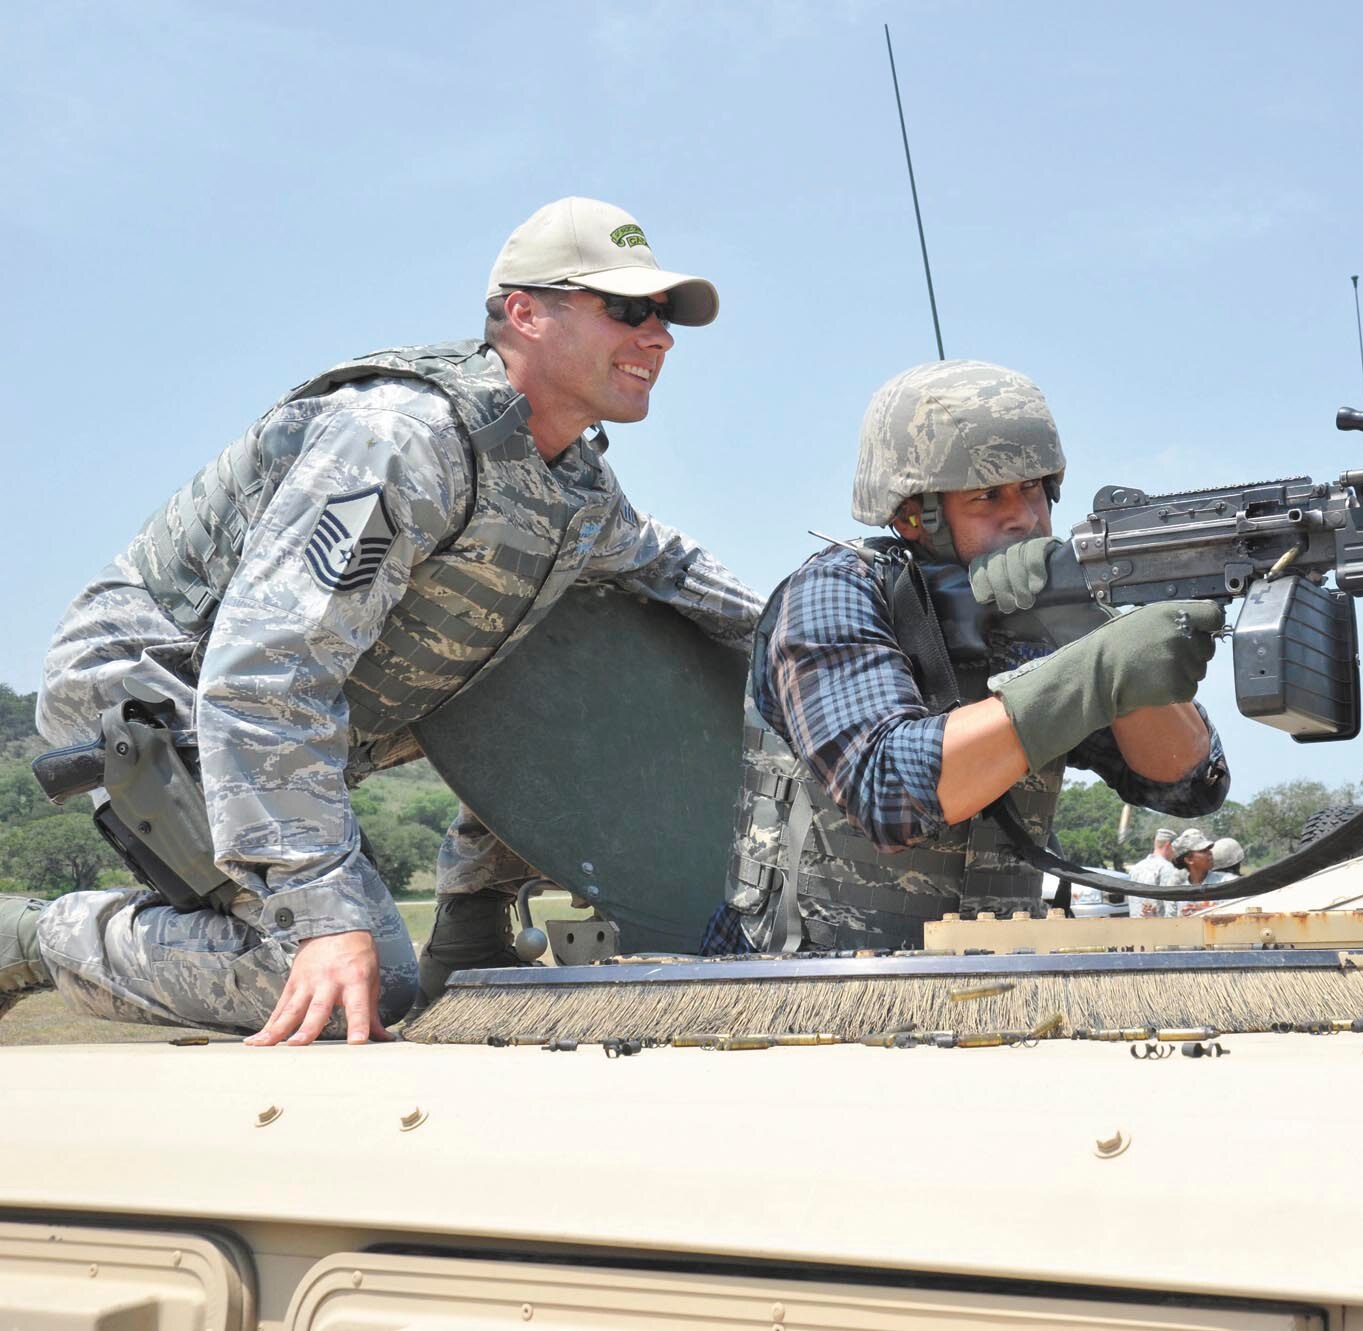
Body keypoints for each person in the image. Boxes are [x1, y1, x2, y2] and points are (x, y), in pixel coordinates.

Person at [1, 197, 759, 1040]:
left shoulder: (570, 487)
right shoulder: (401, 438)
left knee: (589, 612)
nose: (659, 335)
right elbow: (264, 674)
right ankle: (33, 936)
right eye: (627, 309)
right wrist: (325, 912)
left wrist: (827, 645)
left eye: (663, 316)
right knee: (354, 987)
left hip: (287, 712)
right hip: (154, 698)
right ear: (524, 313)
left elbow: (676, 572)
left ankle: (473, 915)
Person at [711, 360, 1229, 953]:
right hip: (802, 983)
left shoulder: (1044, 612)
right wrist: (1095, 668)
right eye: (987, 496)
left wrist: (1095, 633)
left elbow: (1187, 788)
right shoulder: (836, 593)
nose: (1024, 517)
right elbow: (885, 791)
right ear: (914, 515)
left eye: (1033, 488)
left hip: (995, 987)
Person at [1124, 827, 1188, 918]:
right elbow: (1171, 906)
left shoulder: (1136, 868)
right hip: (1157, 928)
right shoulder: (1167, 868)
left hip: (1135, 926)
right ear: (1169, 845)